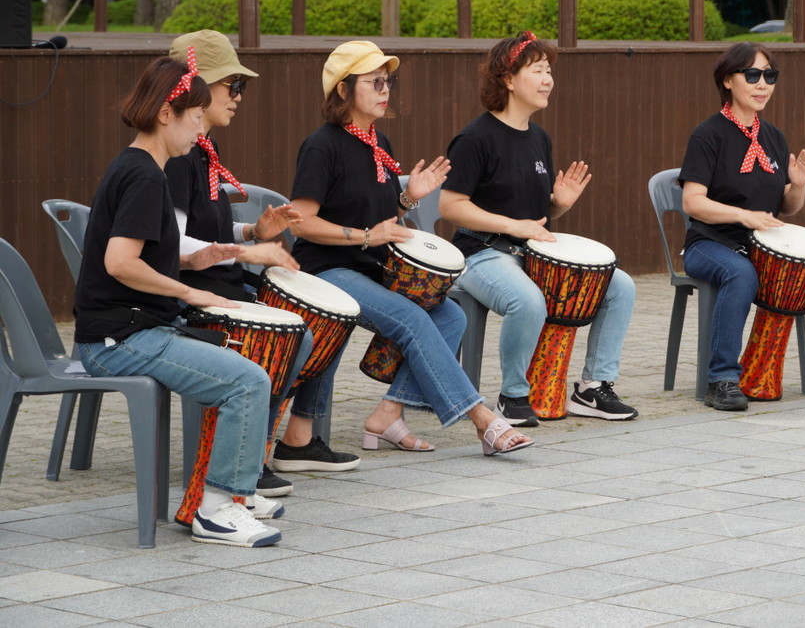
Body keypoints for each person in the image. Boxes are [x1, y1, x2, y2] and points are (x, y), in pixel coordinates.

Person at [73, 54, 282, 547]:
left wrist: (199, 260)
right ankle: (215, 510)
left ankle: (233, 494)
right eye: (194, 116)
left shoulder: (140, 166)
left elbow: (150, 253)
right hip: (118, 338)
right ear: (167, 113)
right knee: (248, 381)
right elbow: (120, 262)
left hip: (129, 329)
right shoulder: (146, 175)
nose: (198, 128)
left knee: (244, 366)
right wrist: (191, 291)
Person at [288, 40, 532, 455]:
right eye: (375, 82)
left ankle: (387, 415)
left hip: (368, 267)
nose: (386, 90)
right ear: (343, 90)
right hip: (326, 270)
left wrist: (407, 200)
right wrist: (365, 238)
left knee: (450, 316)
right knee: (413, 319)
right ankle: (482, 419)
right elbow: (301, 222)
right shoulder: (322, 145)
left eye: (389, 81)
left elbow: (380, 219)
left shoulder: (379, 142)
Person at [165, 30, 355, 499]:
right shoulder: (176, 157)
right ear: (198, 88)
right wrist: (253, 253)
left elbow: (204, 233)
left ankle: (277, 444)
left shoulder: (202, 152)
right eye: (233, 86)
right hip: (194, 301)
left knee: (322, 320)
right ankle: (249, 454)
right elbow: (173, 244)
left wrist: (252, 232)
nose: (238, 97)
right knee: (300, 332)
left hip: (223, 286)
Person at [439, 32, 638, 427]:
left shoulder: (538, 138)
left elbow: (534, 218)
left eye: (549, 71)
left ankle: (592, 387)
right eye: (538, 70)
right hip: (480, 254)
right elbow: (451, 206)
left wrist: (558, 205)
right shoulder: (475, 138)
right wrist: (514, 225)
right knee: (528, 301)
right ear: (508, 79)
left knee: (621, 286)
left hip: (527, 253)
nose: (548, 79)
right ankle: (512, 397)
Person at [678, 42, 805, 411]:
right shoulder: (708, 134)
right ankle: (722, 378)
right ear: (727, 80)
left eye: (769, 76)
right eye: (752, 75)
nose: (762, 84)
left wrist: (798, 185)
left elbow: (787, 206)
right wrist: (743, 216)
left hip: (762, 243)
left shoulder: (772, 135)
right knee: (740, 275)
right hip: (711, 243)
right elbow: (693, 202)